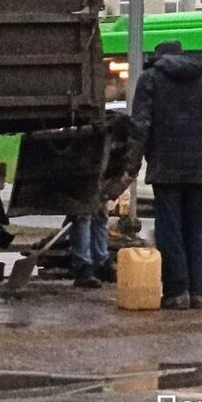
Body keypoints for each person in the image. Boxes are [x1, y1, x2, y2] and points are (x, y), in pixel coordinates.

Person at [120, 40, 202, 310]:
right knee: (195, 230)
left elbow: (140, 126)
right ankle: (199, 292)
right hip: (199, 169)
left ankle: (177, 292)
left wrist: (131, 167)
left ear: (158, 57)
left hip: (166, 168)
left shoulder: (150, 79)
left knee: (170, 231)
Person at [71, 108, 132, 289]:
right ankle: (83, 267)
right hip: (84, 172)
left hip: (104, 176)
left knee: (100, 214)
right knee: (83, 216)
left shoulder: (129, 143)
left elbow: (127, 174)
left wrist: (107, 194)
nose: (116, 146)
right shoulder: (94, 135)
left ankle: (101, 262)